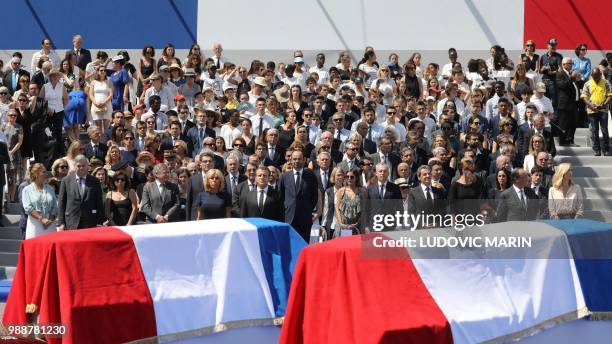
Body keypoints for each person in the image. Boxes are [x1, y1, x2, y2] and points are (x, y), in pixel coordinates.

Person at [279, 150, 318, 242]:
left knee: (303, 244)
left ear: (304, 160)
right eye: (294, 159)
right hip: (288, 217)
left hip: (304, 218)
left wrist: (307, 209)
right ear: (290, 160)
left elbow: (314, 197)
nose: (297, 161)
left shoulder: (311, 176)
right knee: (288, 244)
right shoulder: (285, 176)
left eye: (299, 159)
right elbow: (280, 196)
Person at [57, 155, 105, 230]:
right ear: (74, 166)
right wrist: (61, 222)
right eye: (79, 166)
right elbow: (61, 203)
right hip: (71, 222)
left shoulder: (95, 181)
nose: (81, 168)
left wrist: (99, 222)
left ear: (87, 166)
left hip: (90, 222)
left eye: (83, 166)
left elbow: (99, 203)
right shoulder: (66, 181)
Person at [22, 163, 58, 238]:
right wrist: (41, 219)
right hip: (35, 224)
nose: (46, 174)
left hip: (50, 224)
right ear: (36, 174)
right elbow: (28, 207)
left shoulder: (50, 188)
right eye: (43, 172)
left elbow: (55, 206)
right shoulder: (27, 190)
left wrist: (49, 219)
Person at [581, 67, 611, 156]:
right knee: (594, 130)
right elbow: (584, 97)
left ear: (600, 75)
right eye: (594, 76)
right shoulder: (587, 84)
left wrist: (605, 104)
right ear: (591, 75)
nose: (596, 78)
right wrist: (590, 105)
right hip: (592, 111)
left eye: (597, 76)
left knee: (604, 130)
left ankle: (606, 149)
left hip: (603, 110)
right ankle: (597, 150)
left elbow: (610, 95)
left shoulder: (606, 83)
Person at [364, 163, 402, 232]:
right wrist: (366, 226)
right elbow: (367, 209)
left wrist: (399, 224)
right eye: (380, 171)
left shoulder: (395, 188)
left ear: (388, 173)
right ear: (376, 173)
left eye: (385, 171)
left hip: (390, 225)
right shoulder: (370, 189)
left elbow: (399, 208)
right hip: (374, 225)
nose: (382, 173)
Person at [39, 68, 68, 159]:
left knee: (58, 132)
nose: (55, 77)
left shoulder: (62, 86)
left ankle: (61, 153)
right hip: (47, 113)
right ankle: (48, 153)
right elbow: (40, 100)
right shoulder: (45, 86)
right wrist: (47, 108)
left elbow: (66, 98)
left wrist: (63, 108)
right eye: (53, 75)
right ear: (50, 77)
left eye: (56, 75)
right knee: (48, 132)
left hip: (59, 112)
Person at [333, 167, 365, 236]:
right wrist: (341, 223)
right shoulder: (341, 191)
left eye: (352, 177)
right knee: (342, 245)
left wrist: (358, 223)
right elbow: (337, 209)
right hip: (343, 225)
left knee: (354, 246)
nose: (349, 179)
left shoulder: (362, 191)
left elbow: (364, 209)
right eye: (347, 177)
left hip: (356, 226)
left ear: (356, 178)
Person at [556, 57, 580, 146]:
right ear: (564, 64)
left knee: (572, 123)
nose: (571, 65)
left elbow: (573, 87)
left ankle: (570, 140)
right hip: (565, 104)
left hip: (574, 103)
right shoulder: (560, 74)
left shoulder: (570, 74)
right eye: (570, 63)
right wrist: (572, 77)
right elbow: (563, 86)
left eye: (572, 63)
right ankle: (562, 141)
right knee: (564, 123)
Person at [2, 109, 23, 202]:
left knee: (13, 176)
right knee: (5, 175)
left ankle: (12, 197)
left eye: (15, 116)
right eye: (11, 115)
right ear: (7, 116)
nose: (13, 117)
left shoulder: (19, 127)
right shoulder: (2, 126)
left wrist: (11, 152)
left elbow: (20, 142)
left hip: (14, 154)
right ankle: (5, 197)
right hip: (3, 154)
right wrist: (5, 151)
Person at [89, 65, 113, 130]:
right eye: (101, 70)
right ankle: (100, 140)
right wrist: (95, 103)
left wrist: (104, 102)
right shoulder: (93, 82)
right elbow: (91, 94)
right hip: (96, 105)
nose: (103, 72)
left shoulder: (109, 81)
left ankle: (106, 140)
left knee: (106, 127)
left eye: (104, 70)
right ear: (98, 72)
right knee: (98, 127)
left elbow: (111, 94)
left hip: (107, 105)